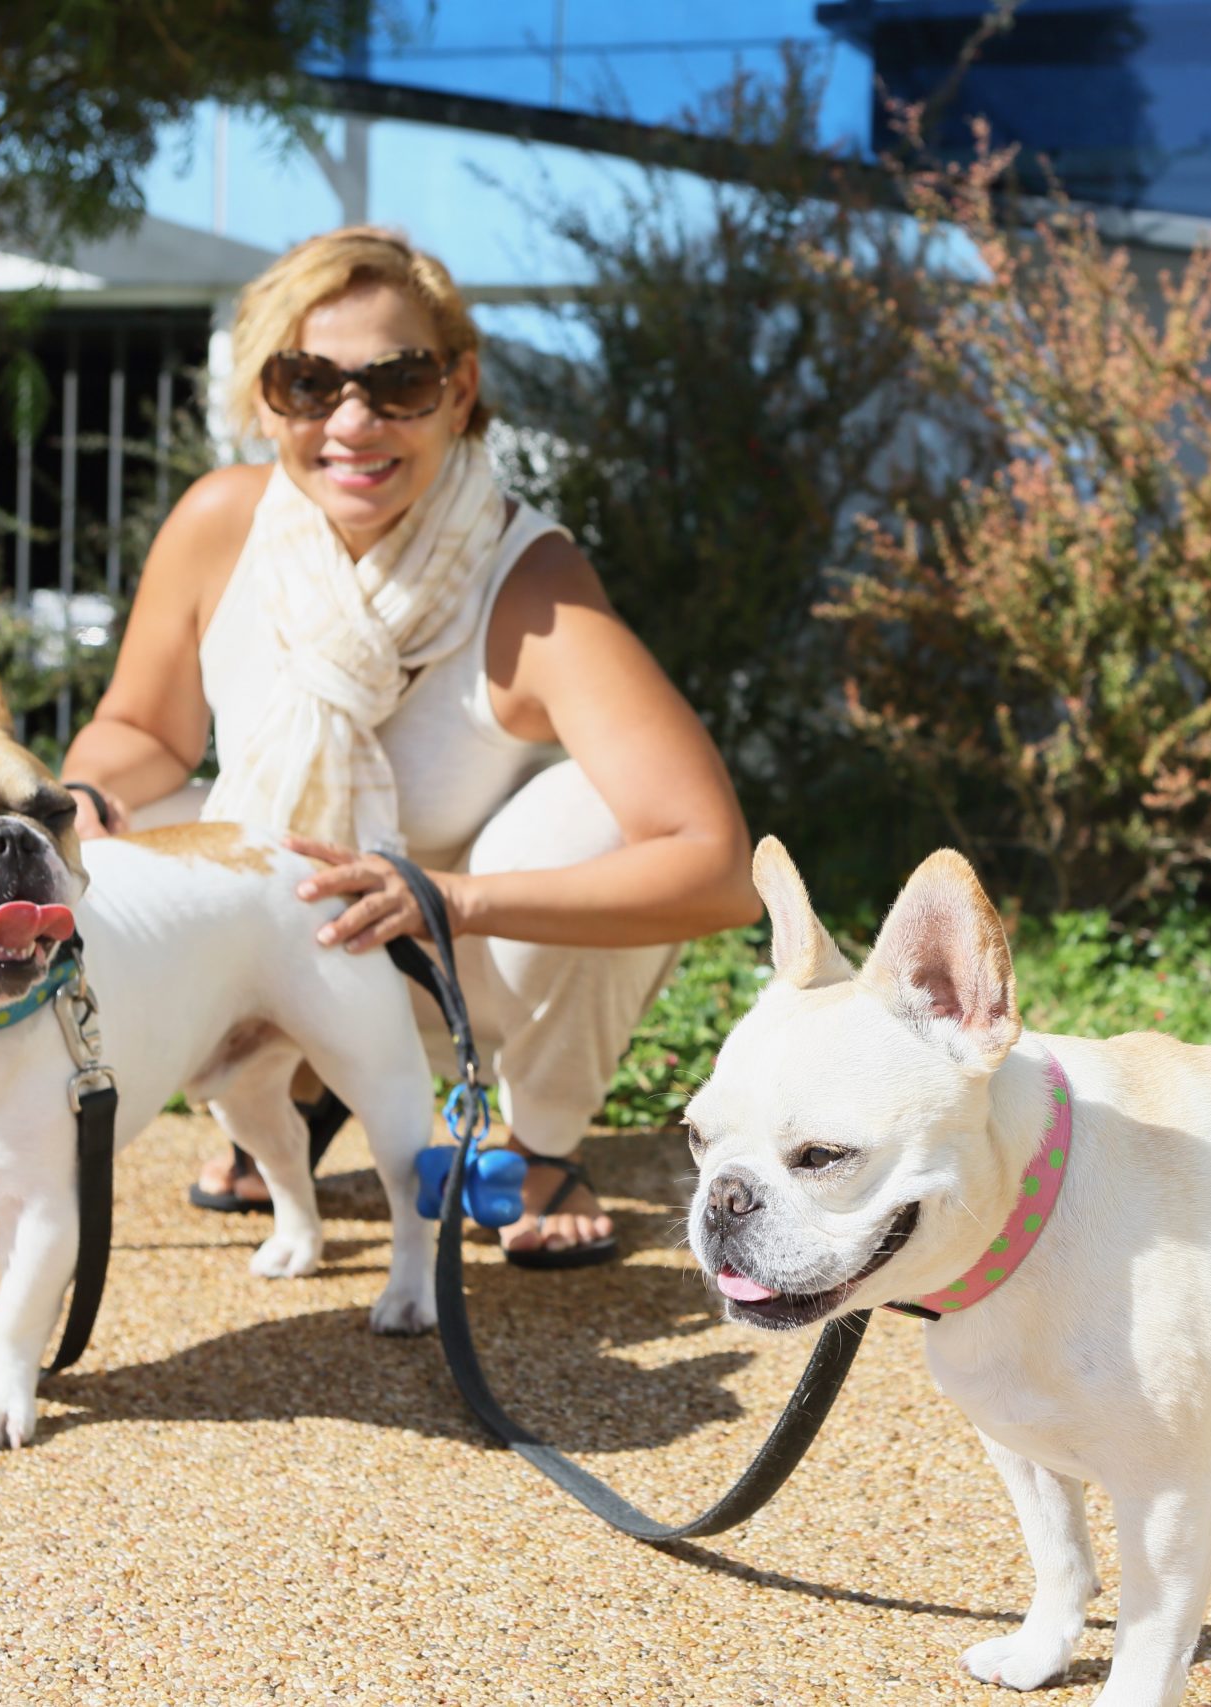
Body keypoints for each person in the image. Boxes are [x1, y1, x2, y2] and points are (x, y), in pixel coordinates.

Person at [59, 226, 758, 1265]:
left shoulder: (532, 580)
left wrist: (451, 897)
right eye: (309, 382)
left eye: (398, 382)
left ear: (459, 389)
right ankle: (279, 1090)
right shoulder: (219, 523)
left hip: (445, 967)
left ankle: (540, 1144)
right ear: (265, 398)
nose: (353, 420)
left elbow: (715, 867)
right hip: (270, 931)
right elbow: (143, 734)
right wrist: (80, 794)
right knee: (111, 842)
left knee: (600, 816)